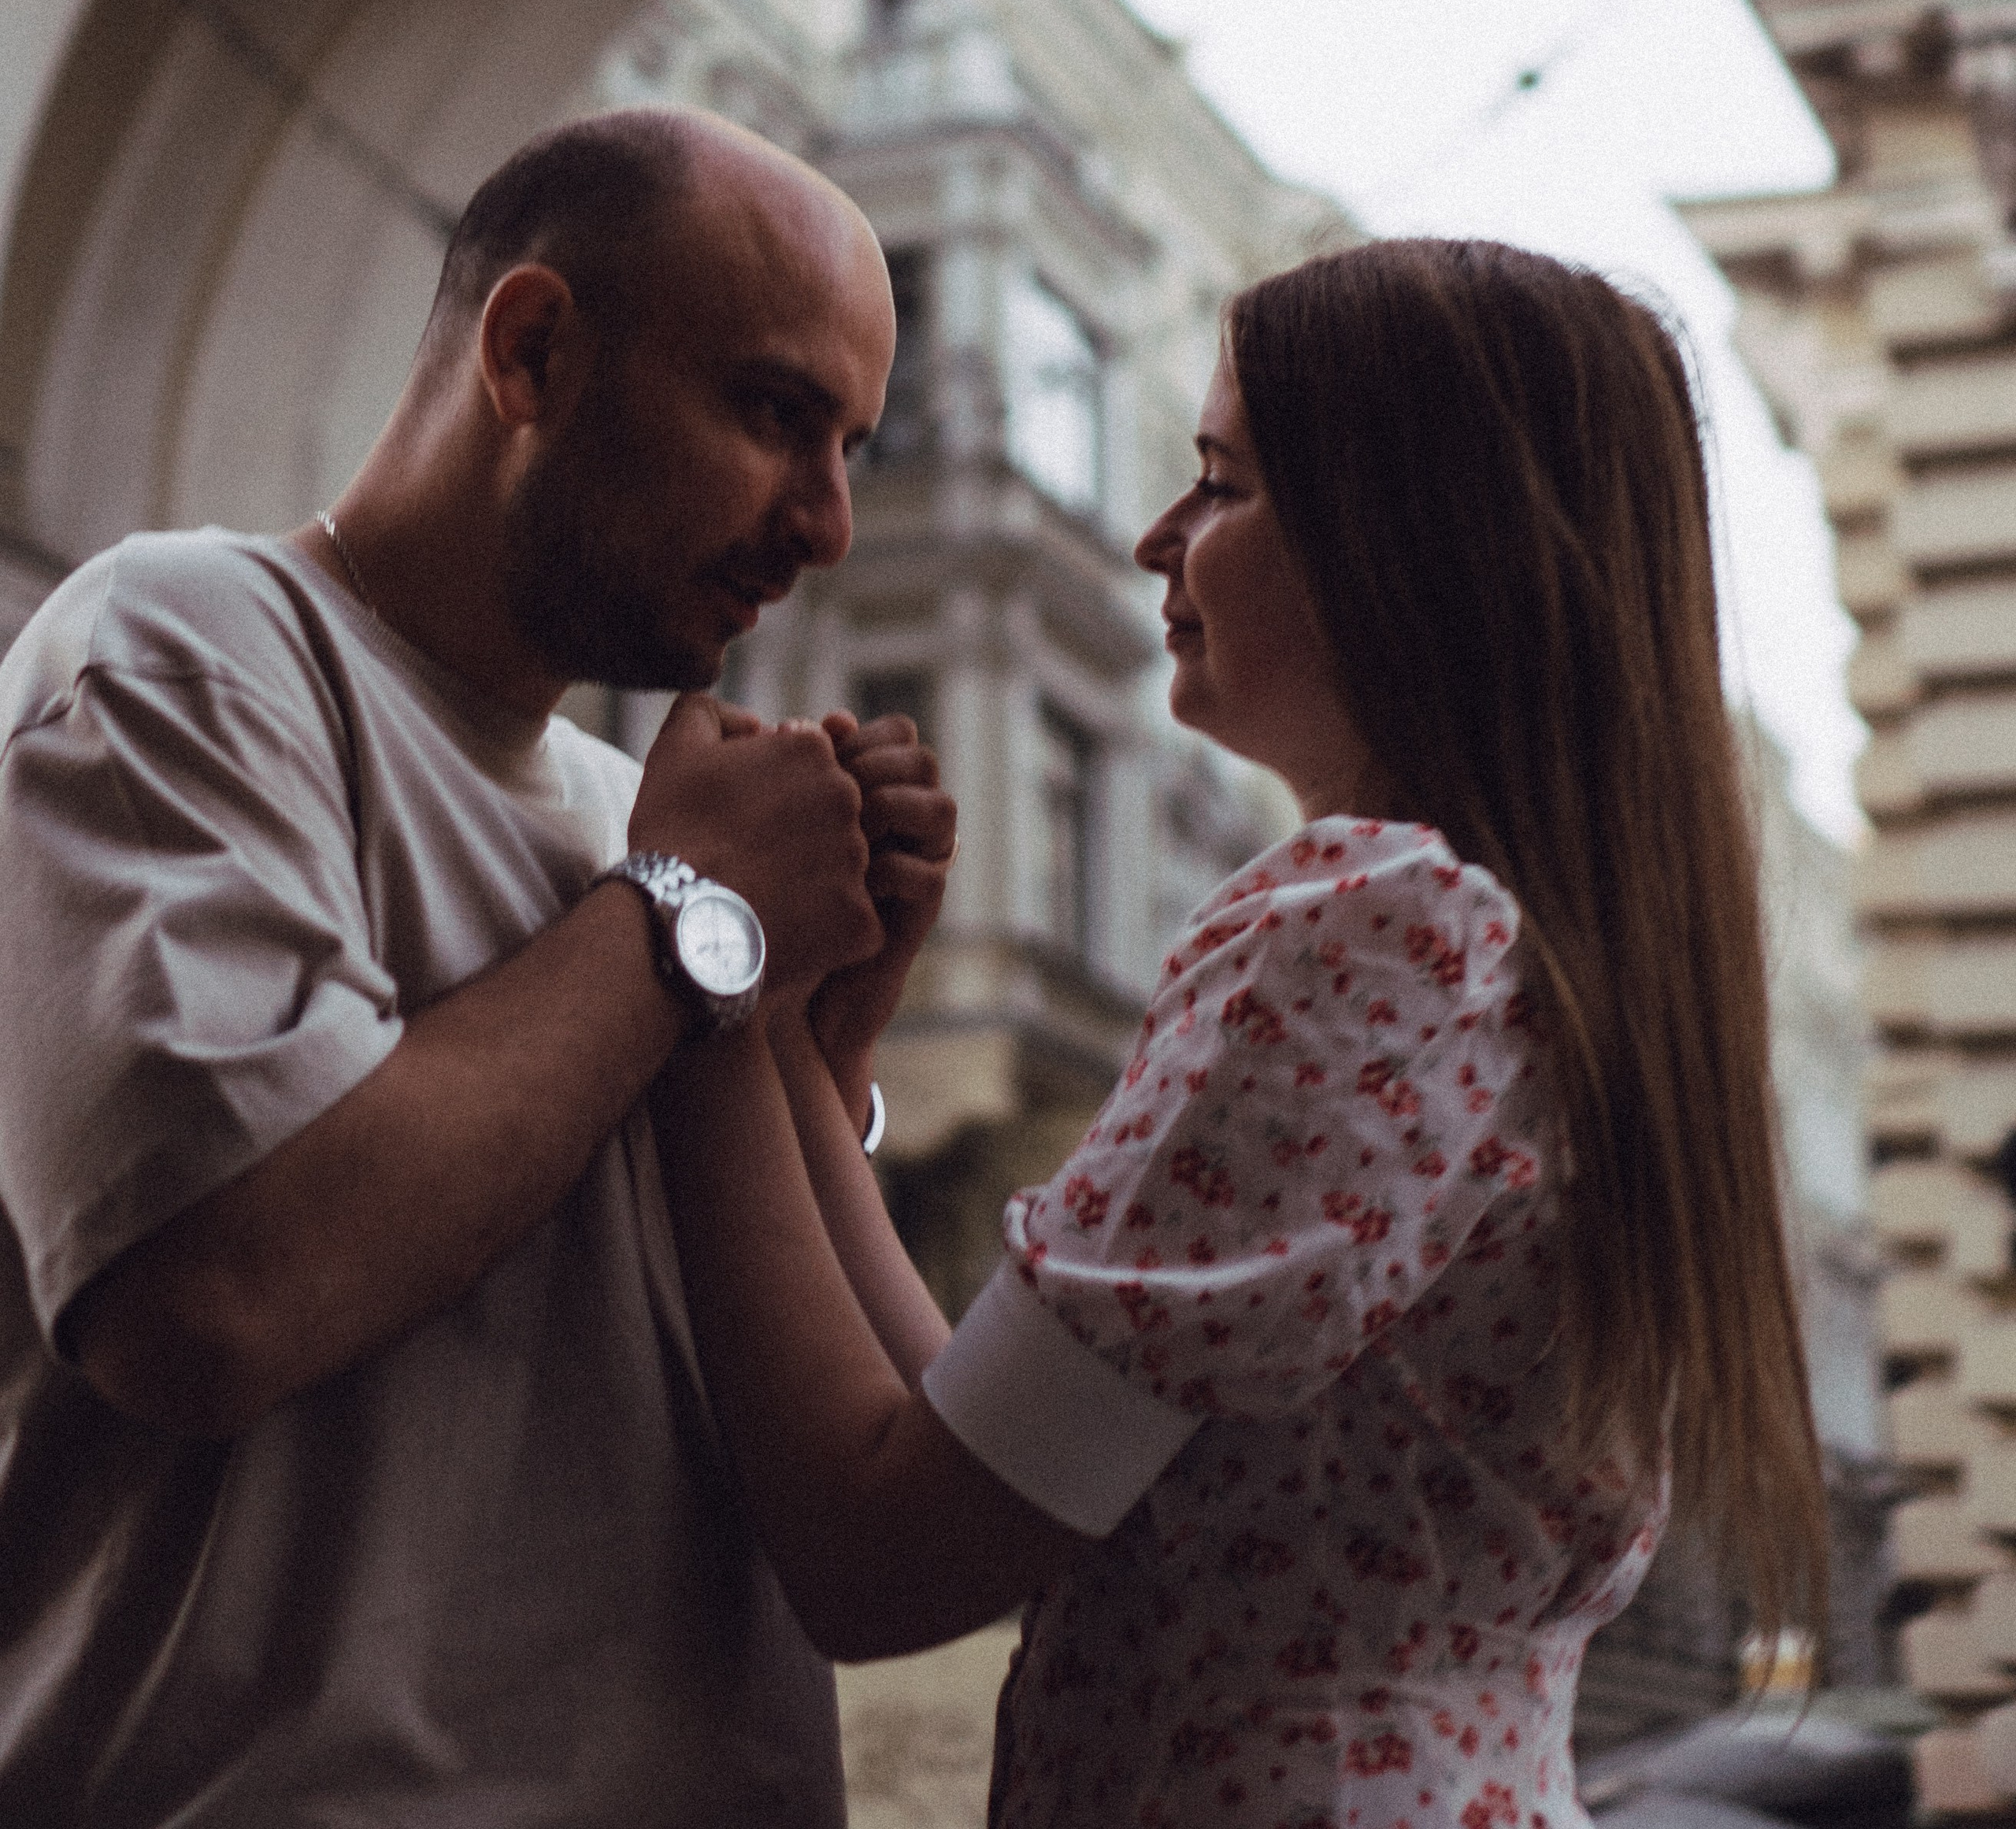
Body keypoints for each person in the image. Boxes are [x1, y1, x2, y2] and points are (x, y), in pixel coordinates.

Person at [659, 236, 1832, 1828]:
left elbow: (880, 1560)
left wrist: (703, 937)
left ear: (1413, 541)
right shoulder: (1534, 955)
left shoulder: (1377, 930)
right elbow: (1000, 1458)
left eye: (1221, 485)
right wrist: (802, 1056)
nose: (1158, 538)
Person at [0, 106, 957, 1826]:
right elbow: (214, 1303)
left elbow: (849, 1473)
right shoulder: (185, 647)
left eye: (851, 449)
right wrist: (688, 913)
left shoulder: (643, 826)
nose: (825, 521)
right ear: (531, 353)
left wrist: (816, 1041)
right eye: (771, 413)